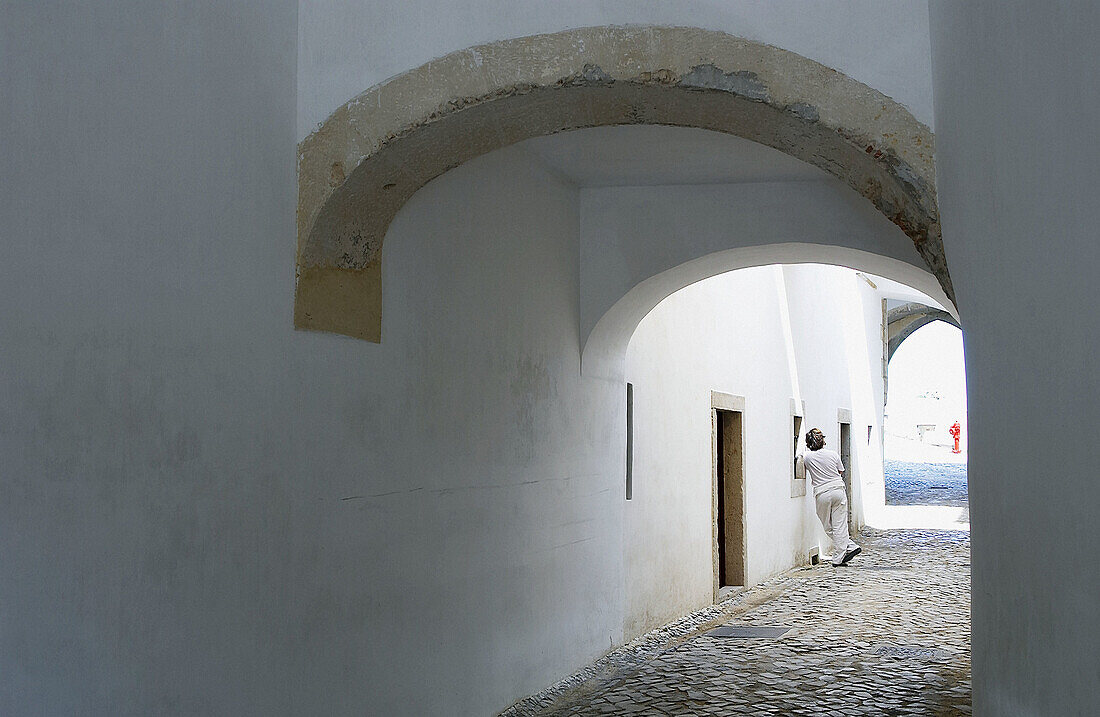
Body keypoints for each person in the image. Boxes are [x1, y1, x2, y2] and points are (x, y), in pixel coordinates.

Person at [799, 428, 861, 567]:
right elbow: (840, 470)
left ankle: (842, 554)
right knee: (840, 525)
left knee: (828, 526)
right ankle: (846, 550)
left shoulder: (807, 457)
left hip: (822, 493)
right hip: (838, 489)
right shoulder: (833, 454)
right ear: (823, 441)